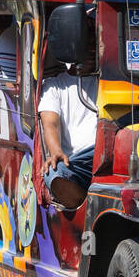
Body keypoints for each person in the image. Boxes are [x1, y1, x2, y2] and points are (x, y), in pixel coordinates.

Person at [40, 42, 98, 209]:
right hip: (75, 162)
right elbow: (50, 123)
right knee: (53, 173)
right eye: (86, 47)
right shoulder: (54, 85)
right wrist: (55, 151)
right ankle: (88, 210)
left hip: (104, 153)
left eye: (95, 47)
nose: (92, 51)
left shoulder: (109, 81)